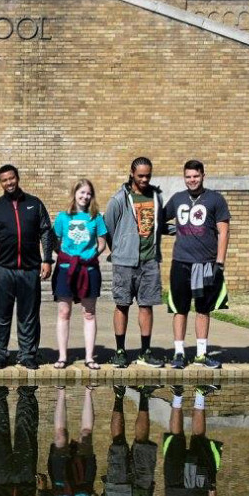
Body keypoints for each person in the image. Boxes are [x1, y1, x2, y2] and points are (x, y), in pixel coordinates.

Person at [0, 165, 53, 370]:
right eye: (4, 180)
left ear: (17, 178)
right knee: (0, 315)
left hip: (30, 269)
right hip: (3, 268)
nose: (9, 183)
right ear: (1, 183)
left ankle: (28, 354)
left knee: (28, 315)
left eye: (11, 178)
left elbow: (46, 232)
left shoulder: (34, 204)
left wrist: (47, 259)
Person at [163, 160, 231, 370]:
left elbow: (224, 232)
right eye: (188, 177)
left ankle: (201, 354)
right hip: (181, 262)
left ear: (203, 175)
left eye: (195, 176)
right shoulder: (177, 199)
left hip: (206, 263)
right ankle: (179, 353)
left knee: (203, 309)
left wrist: (219, 263)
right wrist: (176, 230)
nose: (192, 180)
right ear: (184, 177)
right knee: (180, 309)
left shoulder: (215, 199)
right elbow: (159, 222)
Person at [103, 158, 166, 369]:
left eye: (148, 175)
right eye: (141, 176)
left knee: (146, 306)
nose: (145, 179)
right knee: (122, 305)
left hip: (150, 261)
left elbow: (160, 225)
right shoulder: (119, 199)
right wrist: (119, 250)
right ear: (132, 173)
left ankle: (145, 351)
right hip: (125, 262)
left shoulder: (156, 197)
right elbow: (108, 228)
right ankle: (120, 351)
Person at [52, 180, 108, 369]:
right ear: (74, 193)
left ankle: (89, 357)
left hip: (89, 270)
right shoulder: (62, 217)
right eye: (82, 192)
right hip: (66, 269)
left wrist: (92, 255)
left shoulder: (96, 217)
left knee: (89, 313)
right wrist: (65, 255)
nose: (85, 197)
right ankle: (62, 356)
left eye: (88, 193)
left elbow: (102, 242)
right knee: (64, 312)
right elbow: (55, 241)